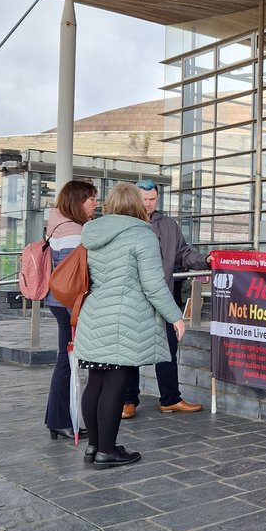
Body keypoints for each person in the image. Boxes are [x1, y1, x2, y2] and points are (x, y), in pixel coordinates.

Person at [75, 183, 186, 467]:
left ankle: (94, 447)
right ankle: (107, 451)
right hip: (124, 317)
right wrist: (175, 316)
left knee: (96, 382)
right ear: (137, 204)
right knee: (115, 383)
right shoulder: (141, 234)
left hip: (95, 313)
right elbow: (153, 285)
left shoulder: (93, 231)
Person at [122, 179, 210, 418]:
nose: (148, 204)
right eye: (144, 200)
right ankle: (128, 400)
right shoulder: (127, 225)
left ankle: (170, 399)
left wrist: (206, 260)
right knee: (132, 350)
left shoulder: (169, 225)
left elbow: (184, 255)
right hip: (134, 298)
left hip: (164, 296)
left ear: (157, 199)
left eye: (152, 200)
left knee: (167, 349)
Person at [43, 180, 98, 440]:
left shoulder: (57, 223)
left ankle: (59, 420)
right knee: (66, 362)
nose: (95, 203)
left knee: (65, 360)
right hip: (69, 305)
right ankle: (60, 420)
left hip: (59, 303)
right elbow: (74, 277)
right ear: (78, 201)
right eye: (91, 199)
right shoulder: (74, 231)